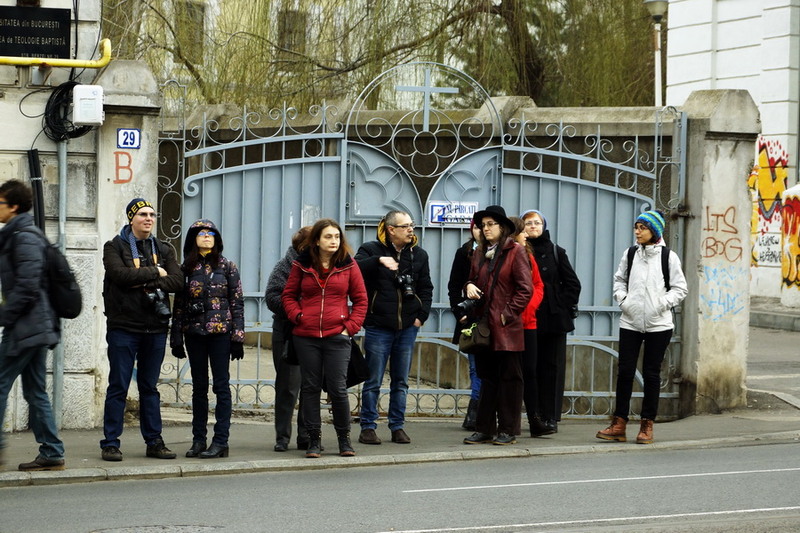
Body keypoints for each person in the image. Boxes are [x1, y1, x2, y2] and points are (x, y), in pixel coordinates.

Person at [100, 197, 183, 462]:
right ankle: (110, 443)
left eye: (151, 215)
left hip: (155, 328)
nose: (148, 219)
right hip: (123, 327)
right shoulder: (115, 246)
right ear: (131, 219)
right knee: (118, 386)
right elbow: (120, 276)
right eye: (143, 214)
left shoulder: (164, 248)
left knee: (149, 388)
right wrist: (156, 272)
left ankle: (154, 442)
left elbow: (177, 281)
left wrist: (145, 280)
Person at [596, 210, 687, 444]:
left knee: (651, 373)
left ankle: (647, 425)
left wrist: (660, 304)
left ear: (654, 231)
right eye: (636, 227)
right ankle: (619, 424)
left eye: (642, 228)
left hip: (659, 324)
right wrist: (624, 301)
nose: (637, 232)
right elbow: (619, 280)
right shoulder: (630, 254)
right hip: (630, 322)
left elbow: (680, 289)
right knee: (625, 372)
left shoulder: (668, 257)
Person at [282, 218, 367, 458]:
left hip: (337, 336)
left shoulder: (348, 265)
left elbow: (361, 299)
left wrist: (349, 328)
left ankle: (344, 440)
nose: (334, 241)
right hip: (306, 337)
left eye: (337, 237)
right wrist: (298, 316)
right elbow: (288, 295)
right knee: (310, 388)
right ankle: (313, 441)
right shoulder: (301, 265)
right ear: (317, 240)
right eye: (328, 236)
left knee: (338, 389)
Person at [0, 180, 64, 471]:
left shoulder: (24, 237)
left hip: (27, 326)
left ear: (13, 206)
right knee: (35, 391)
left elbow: (27, 286)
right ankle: (52, 451)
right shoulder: (18, 235)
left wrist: (5, 316)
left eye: (1, 203)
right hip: (35, 325)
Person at [355, 210, 433, 445]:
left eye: (412, 225)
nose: (411, 230)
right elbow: (353, 269)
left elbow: (426, 288)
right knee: (373, 380)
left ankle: (397, 426)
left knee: (401, 381)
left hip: (408, 327)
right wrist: (378, 261)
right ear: (391, 229)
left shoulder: (419, 255)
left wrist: (421, 316)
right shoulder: (370, 249)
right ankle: (368, 427)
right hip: (379, 325)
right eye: (405, 226)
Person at [170, 219, 244, 459]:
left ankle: (221, 441)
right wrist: (176, 337)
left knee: (221, 386)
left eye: (211, 234)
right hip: (195, 334)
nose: (206, 237)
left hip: (221, 334)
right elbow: (179, 305)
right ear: (193, 239)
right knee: (199, 388)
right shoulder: (186, 269)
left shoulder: (228, 266)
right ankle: (198, 440)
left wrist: (238, 336)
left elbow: (236, 302)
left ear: (217, 239)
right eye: (201, 233)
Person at [462, 205, 532, 446]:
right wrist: (468, 286)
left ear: (502, 227)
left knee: (509, 379)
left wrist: (506, 315)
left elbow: (525, 289)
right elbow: (472, 280)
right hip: (484, 326)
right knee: (487, 378)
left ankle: (508, 430)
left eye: (490, 224)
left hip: (506, 328)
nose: (485, 229)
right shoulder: (479, 252)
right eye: (483, 225)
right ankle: (484, 429)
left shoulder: (515, 251)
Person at [521, 209, 581, 433]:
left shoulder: (557, 251)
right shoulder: (519, 251)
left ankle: (551, 416)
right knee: (531, 369)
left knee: (552, 369)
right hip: (528, 318)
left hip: (553, 319)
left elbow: (573, 284)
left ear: (544, 226)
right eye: (528, 223)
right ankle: (535, 416)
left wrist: (559, 304)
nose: (533, 227)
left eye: (537, 223)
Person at [265, 226, 311, 452]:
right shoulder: (285, 266)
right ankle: (282, 437)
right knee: (288, 387)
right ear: (303, 246)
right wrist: (298, 311)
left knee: (310, 386)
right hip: (287, 333)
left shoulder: (326, 266)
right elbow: (272, 296)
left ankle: (306, 436)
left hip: (315, 333)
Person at [510, 217, 547, 437]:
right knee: (511, 374)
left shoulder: (528, 256)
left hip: (529, 323)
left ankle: (535, 420)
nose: (527, 234)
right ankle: (510, 422)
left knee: (530, 372)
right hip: (510, 324)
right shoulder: (505, 256)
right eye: (523, 231)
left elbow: (538, 284)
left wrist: (530, 307)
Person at [447, 220, 483, 430]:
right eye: (477, 227)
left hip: (497, 318)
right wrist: (459, 313)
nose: (482, 231)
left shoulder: (504, 253)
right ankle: (474, 414)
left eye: (486, 226)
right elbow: (454, 285)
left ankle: (491, 413)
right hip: (472, 319)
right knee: (476, 368)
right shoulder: (464, 253)